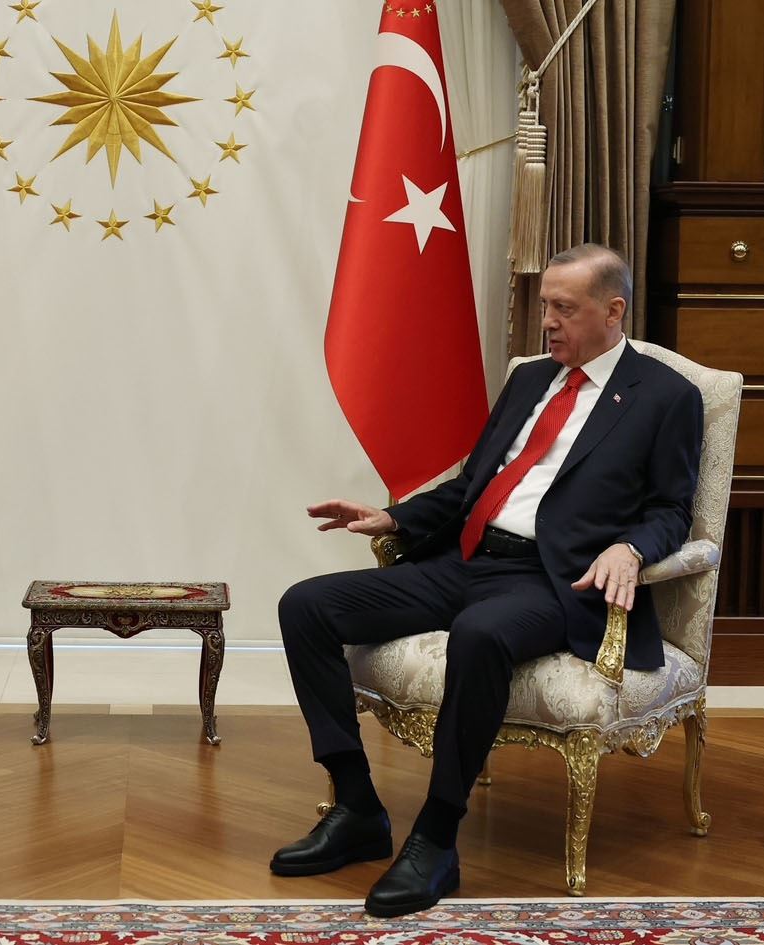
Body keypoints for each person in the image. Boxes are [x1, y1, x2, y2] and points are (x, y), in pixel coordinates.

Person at [271, 243, 702, 917]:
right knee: (306, 606)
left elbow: (673, 509)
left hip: (553, 581)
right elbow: (474, 485)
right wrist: (395, 517)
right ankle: (356, 806)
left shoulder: (666, 397)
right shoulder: (530, 379)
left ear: (613, 310)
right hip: (466, 560)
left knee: (479, 633)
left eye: (564, 308)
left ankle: (437, 836)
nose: (547, 321)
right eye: (544, 305)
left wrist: (629, 548)